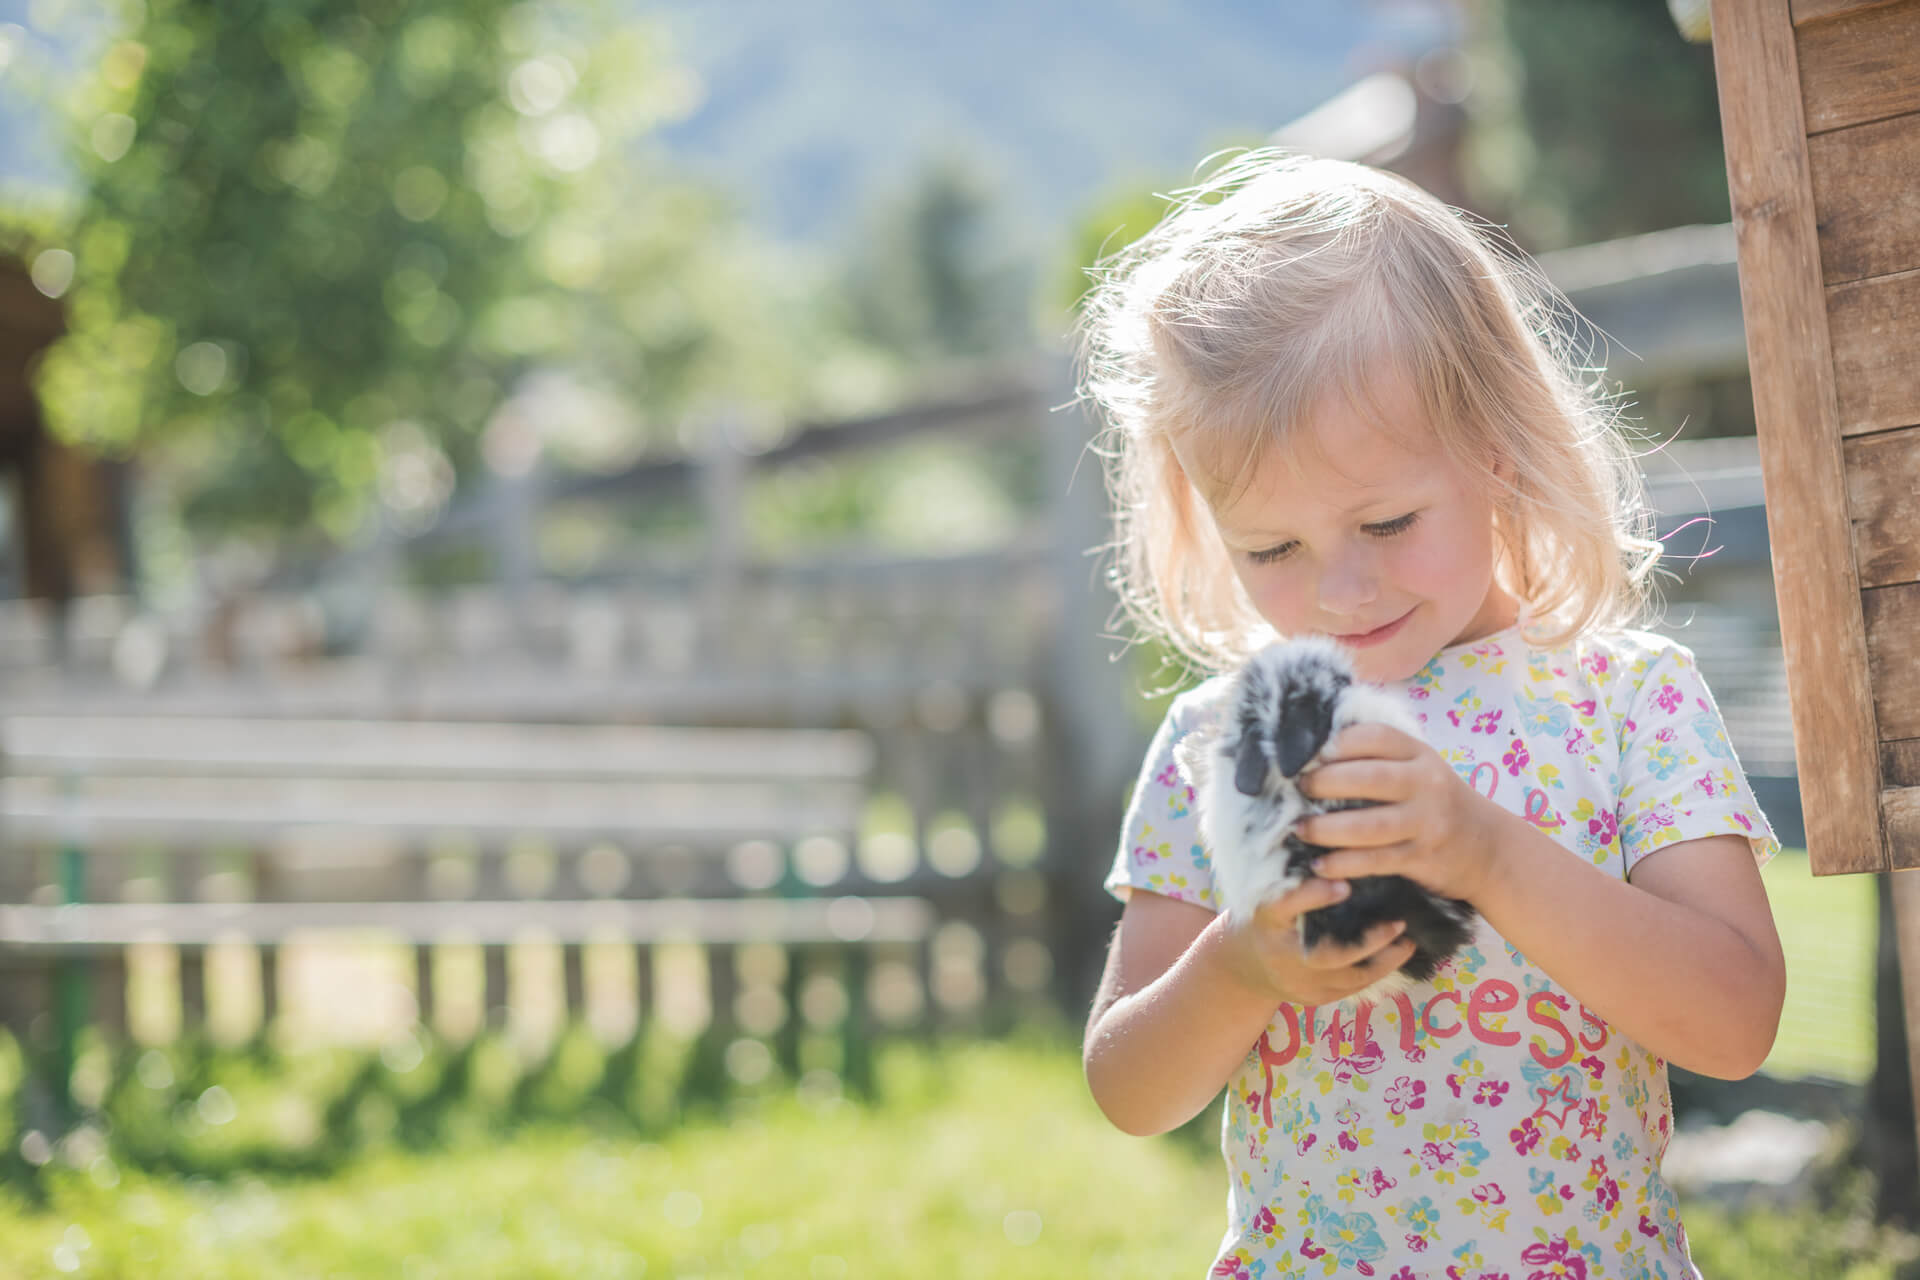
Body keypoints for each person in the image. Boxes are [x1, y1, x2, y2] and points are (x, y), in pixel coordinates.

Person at [1074, 150, 1785, 1280]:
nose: (1341, 590)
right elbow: (1128, 1087)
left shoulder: (1622, 700)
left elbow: (1735, 1022)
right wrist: (1238, 969)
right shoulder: (1226, 740)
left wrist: (1488, 853)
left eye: (1388, 523)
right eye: (1272, 547)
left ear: (1495, 451)